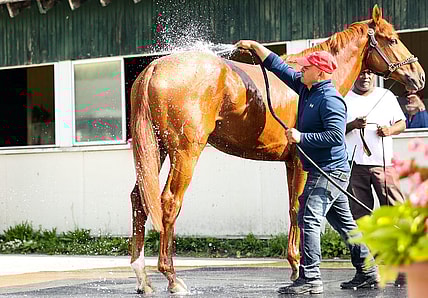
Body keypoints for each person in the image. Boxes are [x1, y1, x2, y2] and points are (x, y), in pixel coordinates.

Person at [235, 40, 378, 295]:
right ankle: (368, 272)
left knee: (308, 218)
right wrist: (256, 47)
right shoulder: (307, 88)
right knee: (345, 224)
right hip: (327, 169)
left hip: (328, 172)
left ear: (320, 72)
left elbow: (335, 136)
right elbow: (279, 68)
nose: (301, 69)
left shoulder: (330, 100)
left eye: (306, 67)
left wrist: (302, 137)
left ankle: (310, 278)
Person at [344, 70, 406, 220]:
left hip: (384, 164)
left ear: (374, 76)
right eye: (361, 74)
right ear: (354, 75)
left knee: (395, 209)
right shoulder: (344, 97)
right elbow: (336, 131)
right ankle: (366, 244)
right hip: (355, 166)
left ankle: (399, 242)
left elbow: (402, 124)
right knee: (360, 214)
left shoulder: (386, 95)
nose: (365, 77)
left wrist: (389, 130)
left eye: (369, 73)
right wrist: (353, 125)